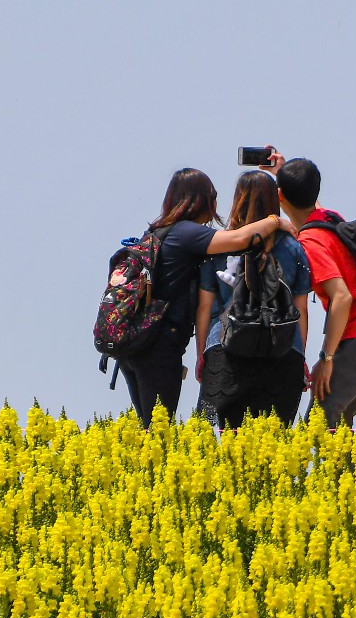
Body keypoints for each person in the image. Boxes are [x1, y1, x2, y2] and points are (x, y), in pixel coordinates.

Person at [119, 169, 288, 426]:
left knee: (150, 427)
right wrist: (275, 221)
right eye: (214, 196)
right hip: (158, 346)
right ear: (201, 200)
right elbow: (240, 239)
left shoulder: (156, 233)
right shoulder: (185, 233)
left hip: (136, 345)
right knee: (159, 430)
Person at [270, 155, 356, 428]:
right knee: (337, 425)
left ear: (279, 196)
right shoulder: (329, 219)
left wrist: (326, 359)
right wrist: (283, 171)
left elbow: (342, 296)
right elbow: (308, 205)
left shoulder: (310, 241)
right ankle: (354, 472)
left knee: (318, 425)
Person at [195, 170, 312, 428]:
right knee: (275, 448)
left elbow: (205, 307)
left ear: (237, 200)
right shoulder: (294, 248)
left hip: (226, 347)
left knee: (231, 445)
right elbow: (300, 308)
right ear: (274, 201)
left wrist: (201, 354)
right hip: (282, 348)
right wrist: (300, 355)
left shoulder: (219, 244)